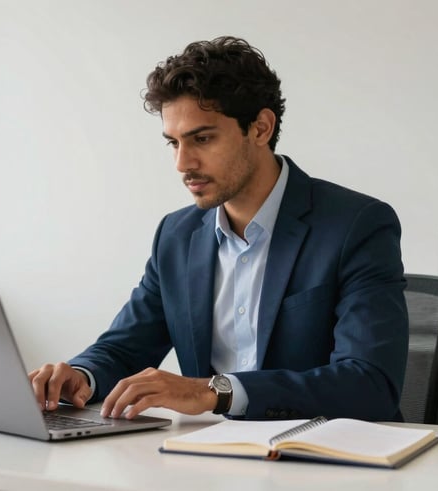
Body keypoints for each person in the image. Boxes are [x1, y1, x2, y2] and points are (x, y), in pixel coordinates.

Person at [29, 36, 408, 422]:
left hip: (324, 458)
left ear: (260, 128)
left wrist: (214, 392)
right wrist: (80, 375)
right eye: (173, 143)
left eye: (202, 139)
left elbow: (370, 383)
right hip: (211, 455)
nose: (182, 163)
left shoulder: (355, 225)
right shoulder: (176, 236)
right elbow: (125, 349)